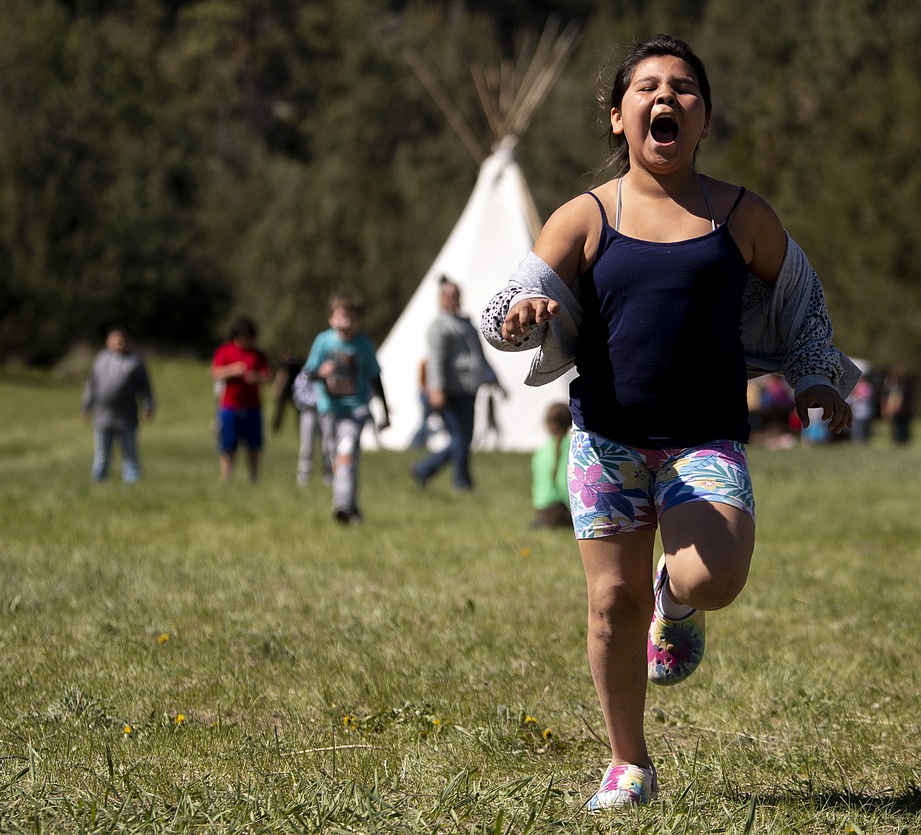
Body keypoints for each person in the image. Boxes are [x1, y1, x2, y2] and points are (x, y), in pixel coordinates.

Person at [479, 34, 857, 811]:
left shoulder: (740, 214)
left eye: (684, 88)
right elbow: (506, 304)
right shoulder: (586, 216)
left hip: (705, 440)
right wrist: (521, 318)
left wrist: (816, 375)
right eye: (647, 87)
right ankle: (628, 761)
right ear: (618, 117)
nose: (666, 98)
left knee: (713, 576)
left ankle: (674, 601)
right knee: (611, 605)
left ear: (705, 118)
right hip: (606, 441)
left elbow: (801, 298)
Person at [304, 291, 390, 523]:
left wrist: (385, 410)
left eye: (351, 318)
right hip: (329, 410)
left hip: (356, 410)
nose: (346, 323)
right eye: (342, 317)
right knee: (337, 458)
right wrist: (320, 373)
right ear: (331, 319)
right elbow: (309, 372)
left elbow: (375, 378)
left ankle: (341, 504)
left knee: (346, 452)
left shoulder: (364, 345)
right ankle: (351, 506)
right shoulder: (323, 341)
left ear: (359, 321)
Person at [410, 277, 501, 490]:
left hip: (468, 388)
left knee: (465, 438)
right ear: (441, 299)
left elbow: (479, 356)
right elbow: (437, 360)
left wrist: (493, 378)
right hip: (449, 390)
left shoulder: (466, 324)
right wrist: (436, 388)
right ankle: (458, 481)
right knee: (459, 437)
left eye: (455, 295)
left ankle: (429, 471)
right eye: (448, 296)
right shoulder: (439, 327)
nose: (453, 299)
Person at [81, 325, 155, 483]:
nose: (119, 343)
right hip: (102, 416)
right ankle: (98, 482)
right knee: (102, 455)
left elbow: (145, 387)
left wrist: (148, 406)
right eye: (115, 340)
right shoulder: (100, 359)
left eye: (122, 340)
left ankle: (132, 482)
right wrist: (86, 405)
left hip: (126, 417)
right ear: (108, 342)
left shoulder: (135, 362)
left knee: (130, 454)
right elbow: (91, 385)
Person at [210, 316, 270, 482]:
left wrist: (255, 377)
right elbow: (214, 372)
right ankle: (226, 478)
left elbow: (266, 375)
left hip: (253, 406)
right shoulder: (225, 350)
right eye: (243, 337)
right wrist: (233, 370)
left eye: (249, 337)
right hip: (229, 406)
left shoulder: (258, 354)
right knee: (228, 444)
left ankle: (254, 477)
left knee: (254, 445)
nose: (246, 341)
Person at [531, 402, 574, 529]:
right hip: (558, 510)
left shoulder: (541, 451)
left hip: (541, 510)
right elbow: (563, 484)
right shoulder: (570, 448)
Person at [268, 348, 304, 433]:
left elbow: (282, 376)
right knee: (297, 411)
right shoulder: (299, 363)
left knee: (280, 410)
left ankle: (276, 427)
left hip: (287, 390)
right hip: (296, 390)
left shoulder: (286, 365)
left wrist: (277, 389)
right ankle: (300, 427)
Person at [882, 367, 915, 446]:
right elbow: (887, 399)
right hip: (896, 412)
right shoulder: (893, 388)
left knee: (902, 429)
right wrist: (887, 409)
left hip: (903, 412)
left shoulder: (904, 389)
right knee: (895, 429)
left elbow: (904, 401)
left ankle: (902, 442)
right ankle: (897, 442)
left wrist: (898, 408)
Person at [847, 372, 875, 445]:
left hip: (864, 411)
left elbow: (863, 397)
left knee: (862, 427)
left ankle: (861, 441)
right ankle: (856, 441)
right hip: (857, 411)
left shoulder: (867, 387)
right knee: (856, 427)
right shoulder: (858, 386)